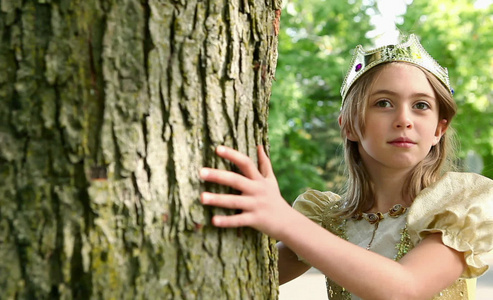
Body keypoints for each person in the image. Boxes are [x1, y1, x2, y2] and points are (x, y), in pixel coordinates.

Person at [199, 34, 493, 299]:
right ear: (349, 126)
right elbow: (239, 280)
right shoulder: (328, 220)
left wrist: (281, 219)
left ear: (438, 130)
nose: (404, 119)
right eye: (383, 103)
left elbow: (406, 288)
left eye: (421, 106)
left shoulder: (459, 208)